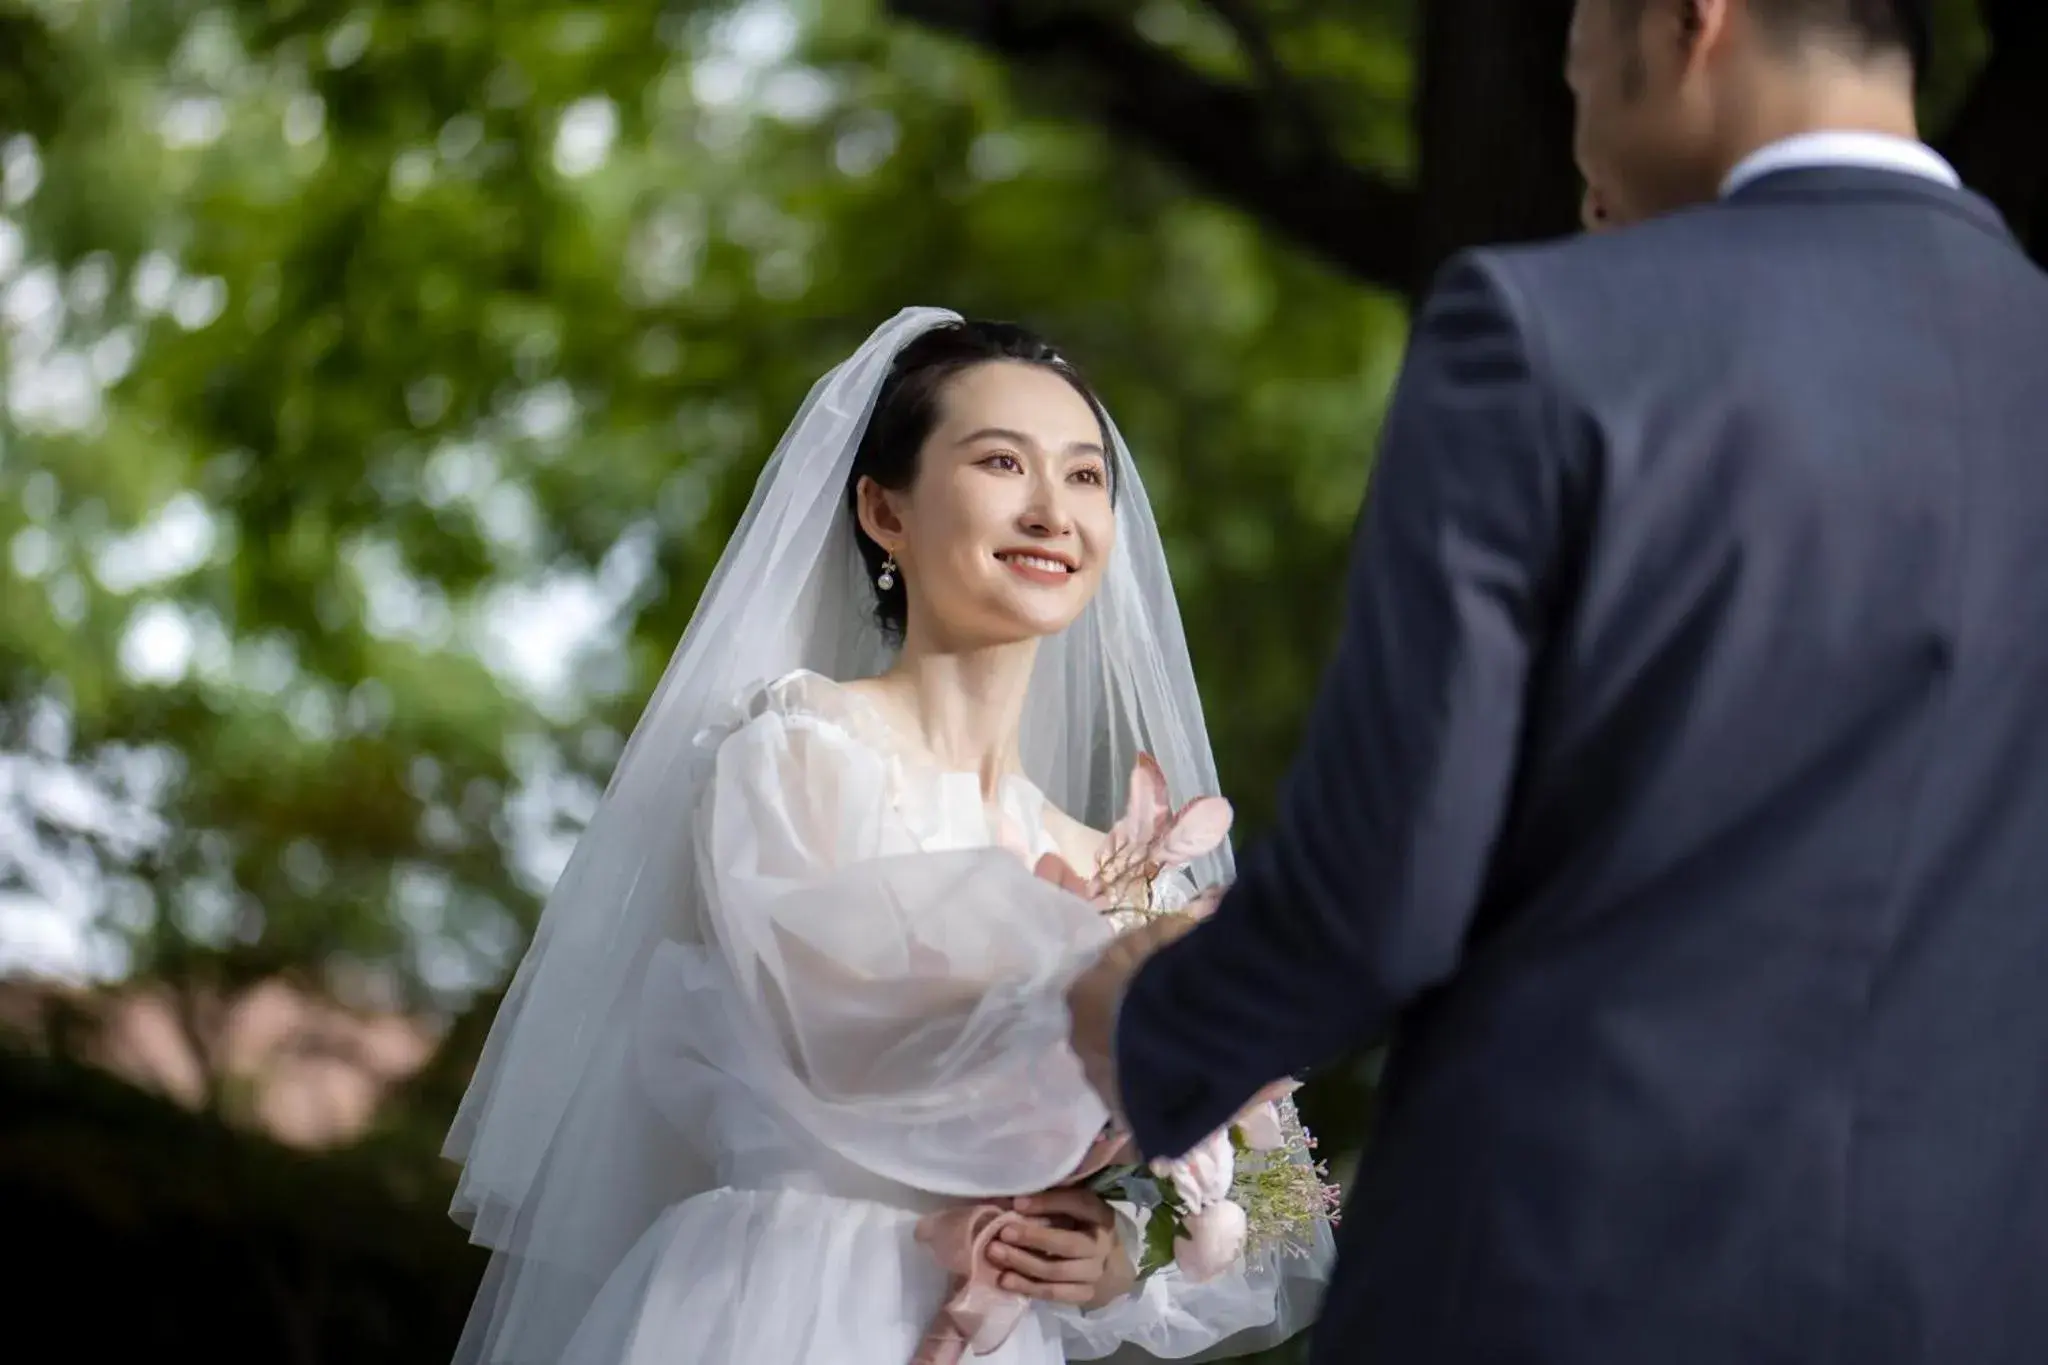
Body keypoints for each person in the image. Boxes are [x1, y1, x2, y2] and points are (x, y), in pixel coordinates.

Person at [1068, 1, 2048, 1362]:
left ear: (1687, 19)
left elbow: (1381, 896)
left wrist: (1145, 1021)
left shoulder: (1549, 335)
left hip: (1561, 1282)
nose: (1572, 92)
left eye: (1573, 38)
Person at [443, 310, 1328, 1364]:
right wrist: (1104, 992)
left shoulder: (1126, 867)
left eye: (1085, 478)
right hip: (780, 1302)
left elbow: (1268, 1200)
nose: (1052, 510)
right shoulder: (793, 752)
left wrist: (1120, 1250)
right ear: (882, 509)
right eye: (1001, 462)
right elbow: (843, 1029)